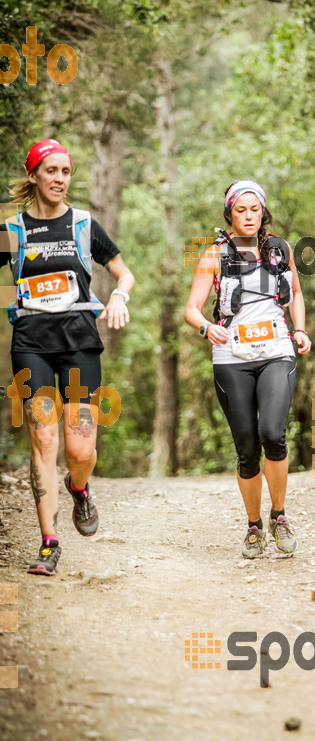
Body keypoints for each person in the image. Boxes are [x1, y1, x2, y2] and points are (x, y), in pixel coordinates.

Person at [0, 138, 134, 575]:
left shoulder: (82, 224)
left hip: (79, 341)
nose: (59, 179)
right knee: (44, 439)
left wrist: (118, 296)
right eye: (51, 170)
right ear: (34, 175)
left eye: (65, 172)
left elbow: (123, 271)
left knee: (79, 448)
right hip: (31, 343)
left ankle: (79, 487)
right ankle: (49, 543)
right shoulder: (13, 230)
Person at [184, 180, 311, 559]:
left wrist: (300, 329)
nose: (249, 216)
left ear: (263, 212)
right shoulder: (214, 255)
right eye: (241, 210)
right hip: (231, 359)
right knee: (246, 449)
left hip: (276, 351)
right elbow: (191, 308)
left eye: (255, 209)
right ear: (229, 213)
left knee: (273, 433)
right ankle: (254, 526)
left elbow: (297, 294)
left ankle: (280, 516)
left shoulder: (280, 250)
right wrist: (207, 327)